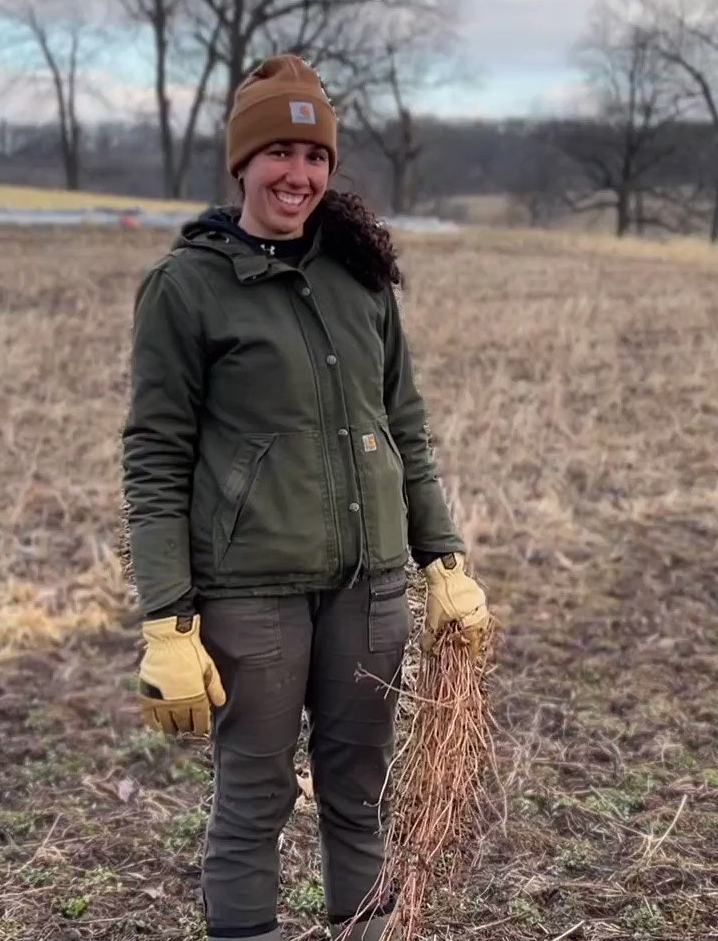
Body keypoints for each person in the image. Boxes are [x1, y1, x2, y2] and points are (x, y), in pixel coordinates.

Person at [119, 53, 492, 941]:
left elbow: (405, 424)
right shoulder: (187, 287)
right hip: (253, 591)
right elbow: (156, 453)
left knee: (357, 795)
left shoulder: (359, 276)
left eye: (316, 156)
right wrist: (167, 618)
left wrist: (443, 562)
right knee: (254, 797)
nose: (300, 175)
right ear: (242, 163)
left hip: (370, 586)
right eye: (279, 153)